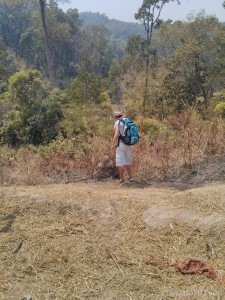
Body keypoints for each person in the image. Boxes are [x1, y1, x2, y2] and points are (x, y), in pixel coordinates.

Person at [111, 111, 132, 183]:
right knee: (127, 161)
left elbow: (117, 134)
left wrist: (112, 143)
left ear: (115, 117)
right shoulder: (127, 120)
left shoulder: (117, 122)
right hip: (128, 144)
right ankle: (130, 177)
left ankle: (121, 179)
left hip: (121, 144)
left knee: (120, 162)